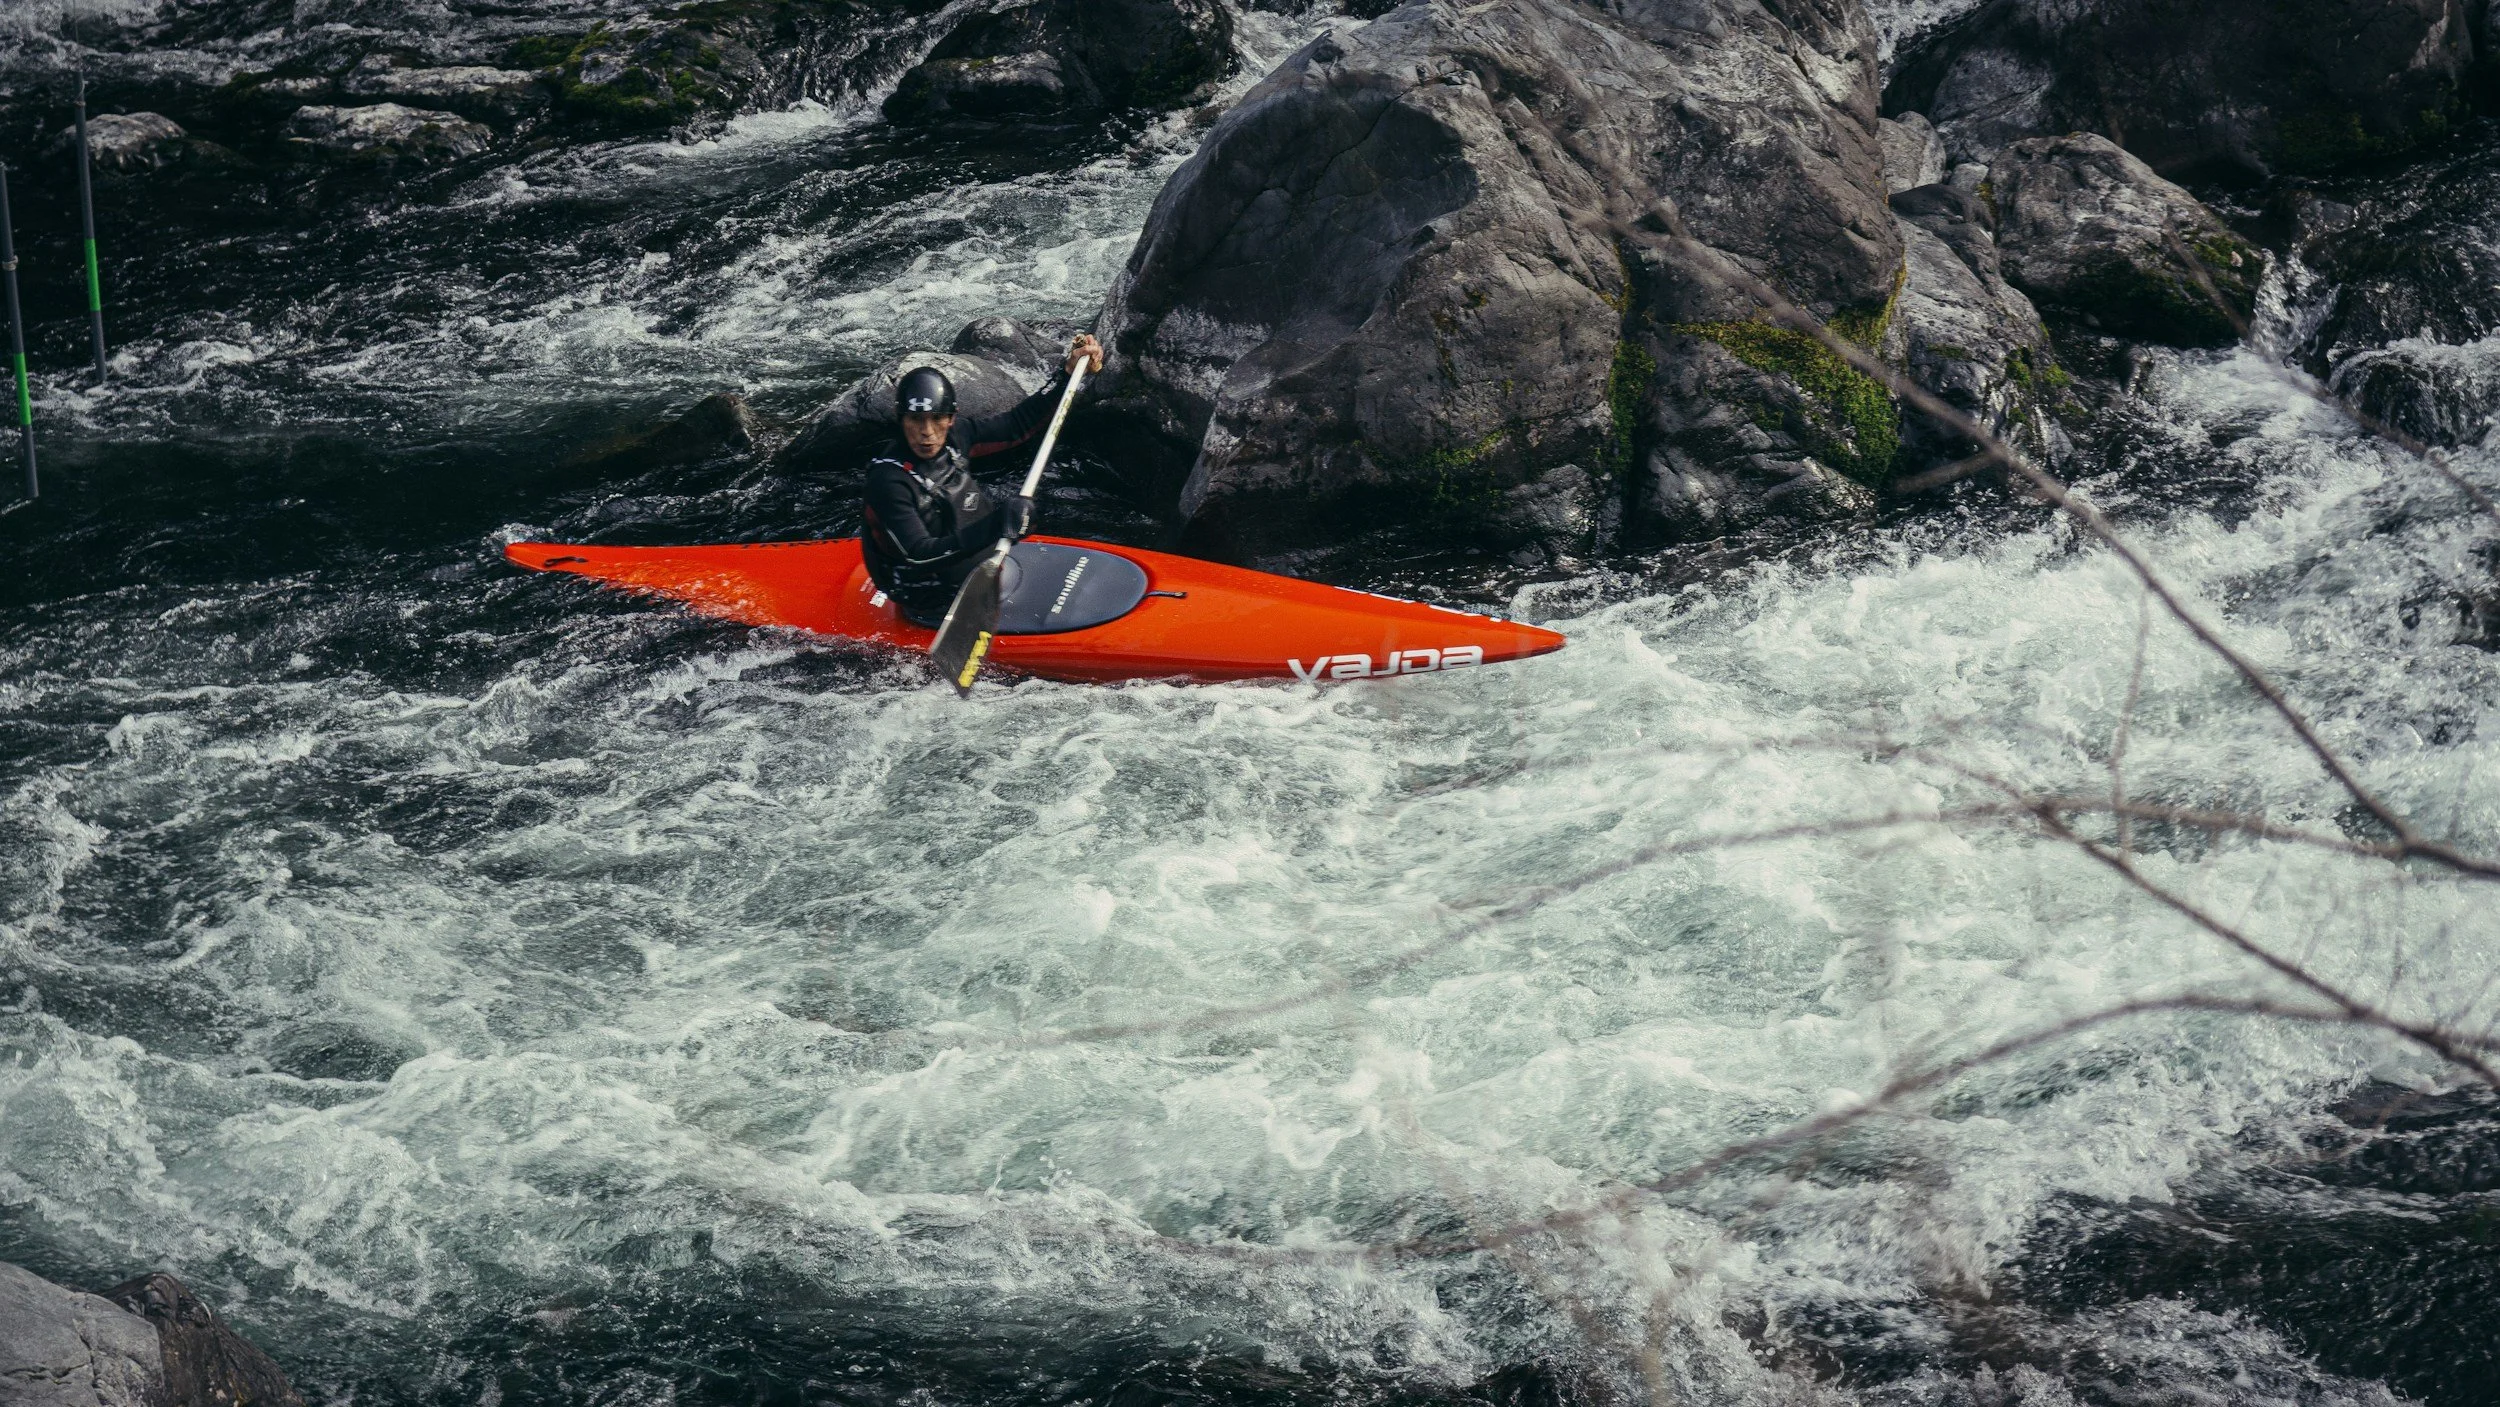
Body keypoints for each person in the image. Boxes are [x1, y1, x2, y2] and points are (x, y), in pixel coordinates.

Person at [860, 332, 1105, 626]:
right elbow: (917, 555)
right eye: (916, 420)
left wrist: (1065, 374)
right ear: (901, 420)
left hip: (977, 566)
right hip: (930, 596)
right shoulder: (888, 481)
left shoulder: (956, 436)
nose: (927, 432)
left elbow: (1017, 425)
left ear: (951, 417)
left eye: (937, 418)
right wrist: (996, 525)